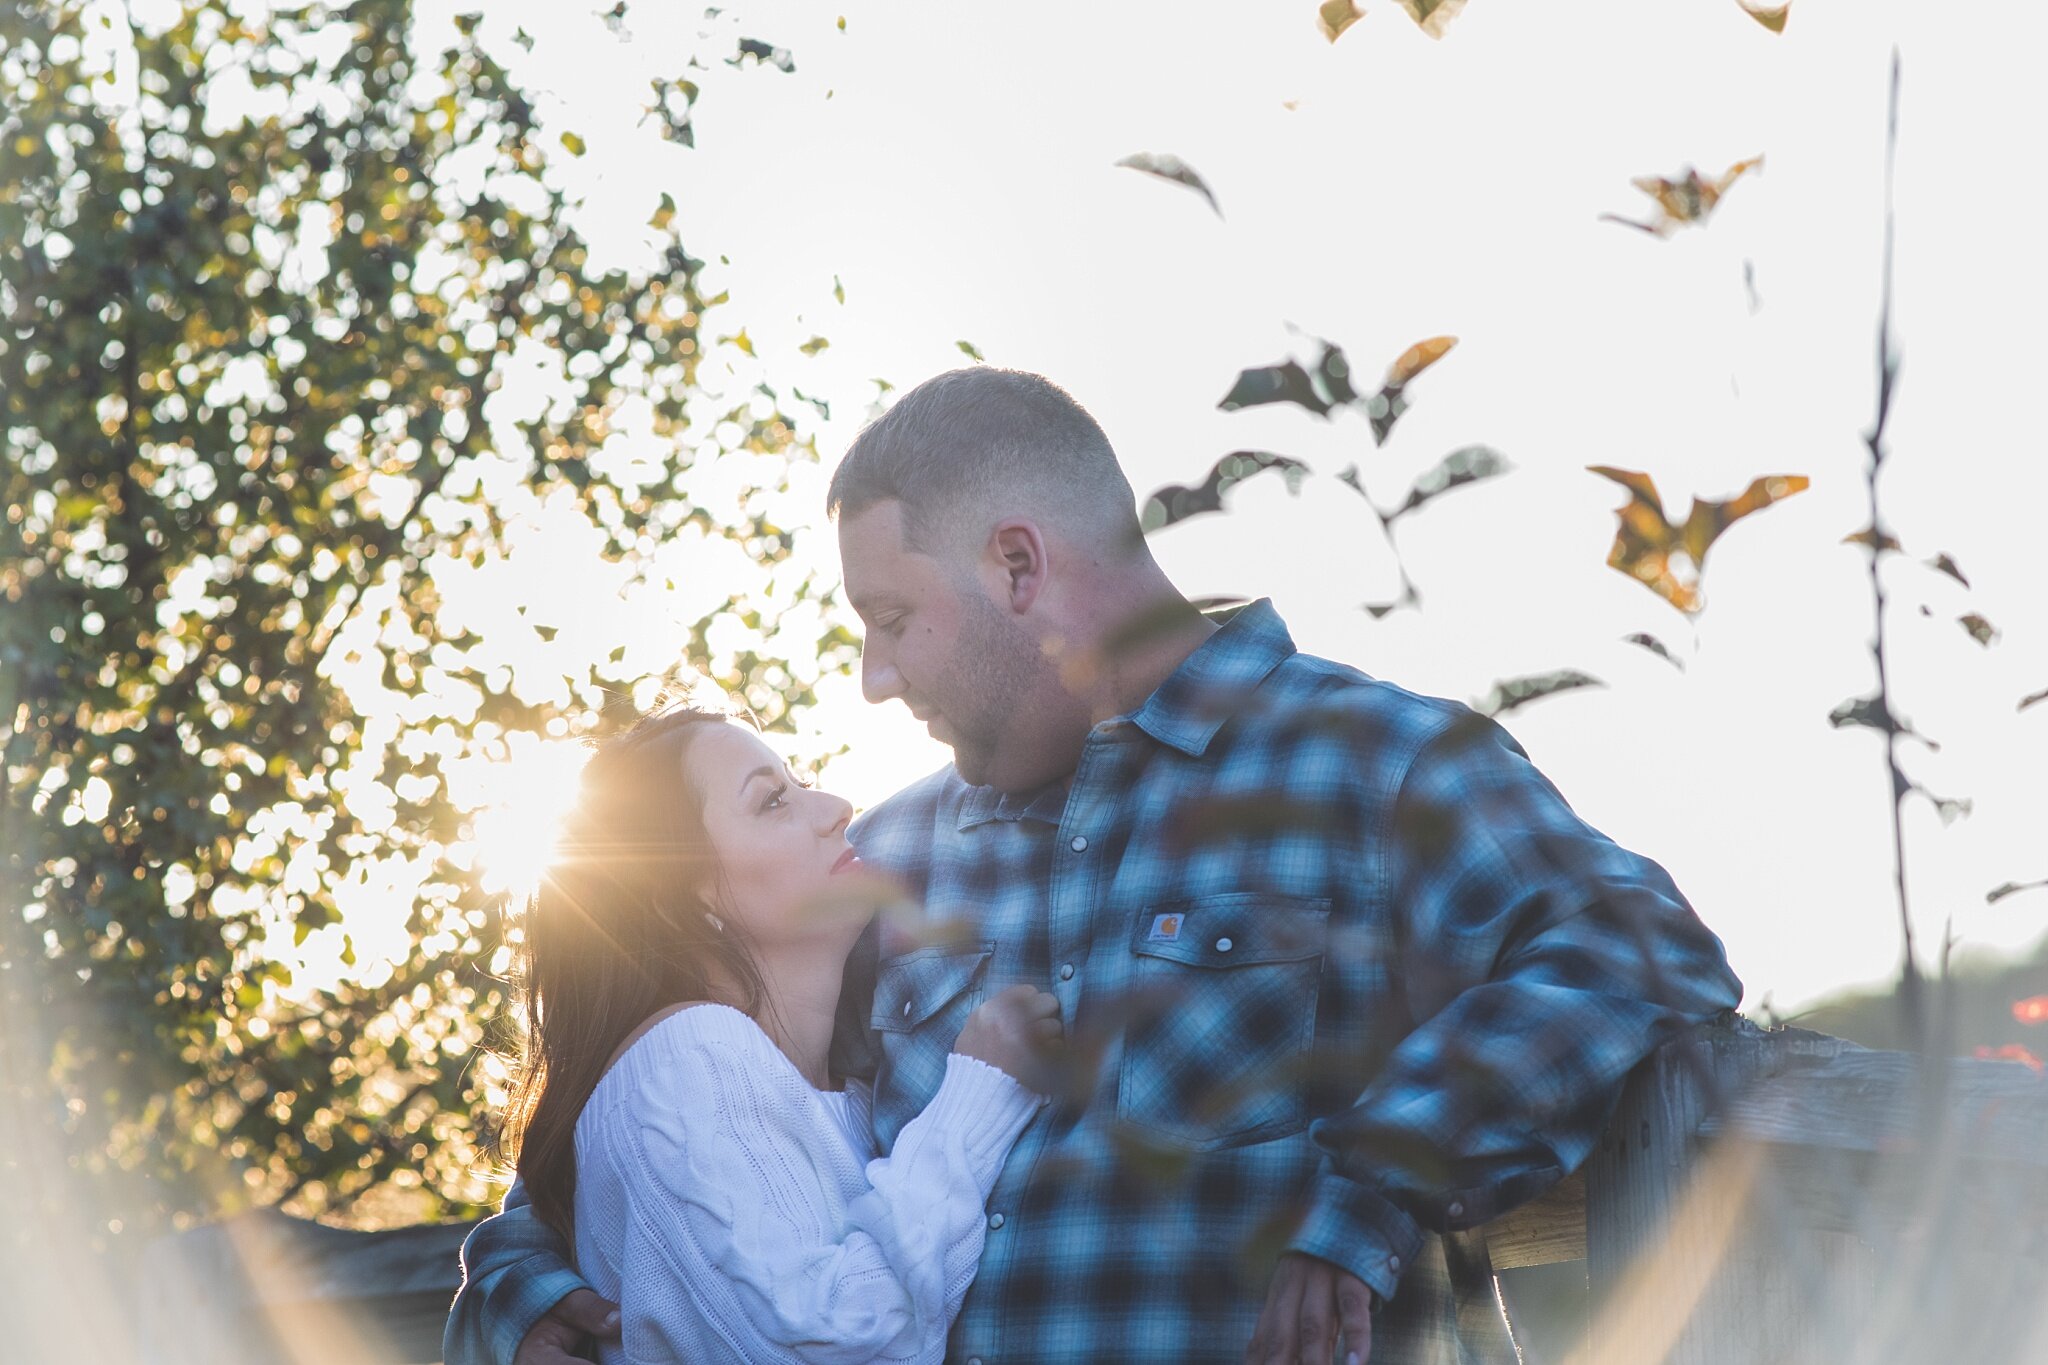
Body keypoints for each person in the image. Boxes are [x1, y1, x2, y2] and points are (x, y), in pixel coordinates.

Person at [446, 368, 1743, 1365]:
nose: (873, 679)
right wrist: (526, 1283)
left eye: (893, 621)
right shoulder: (880, 867)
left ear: (1018, 565)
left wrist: (1373, 1194)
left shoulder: (1370, 763)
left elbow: (1632, 948)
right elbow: (662, 1113)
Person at [488, 701, 1060, 1362]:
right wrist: (978, 1096)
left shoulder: (838, 1090)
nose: (838, 807)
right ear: (687, 897)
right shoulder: (687, 1058)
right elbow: (835, 1346)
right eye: (772, 802)